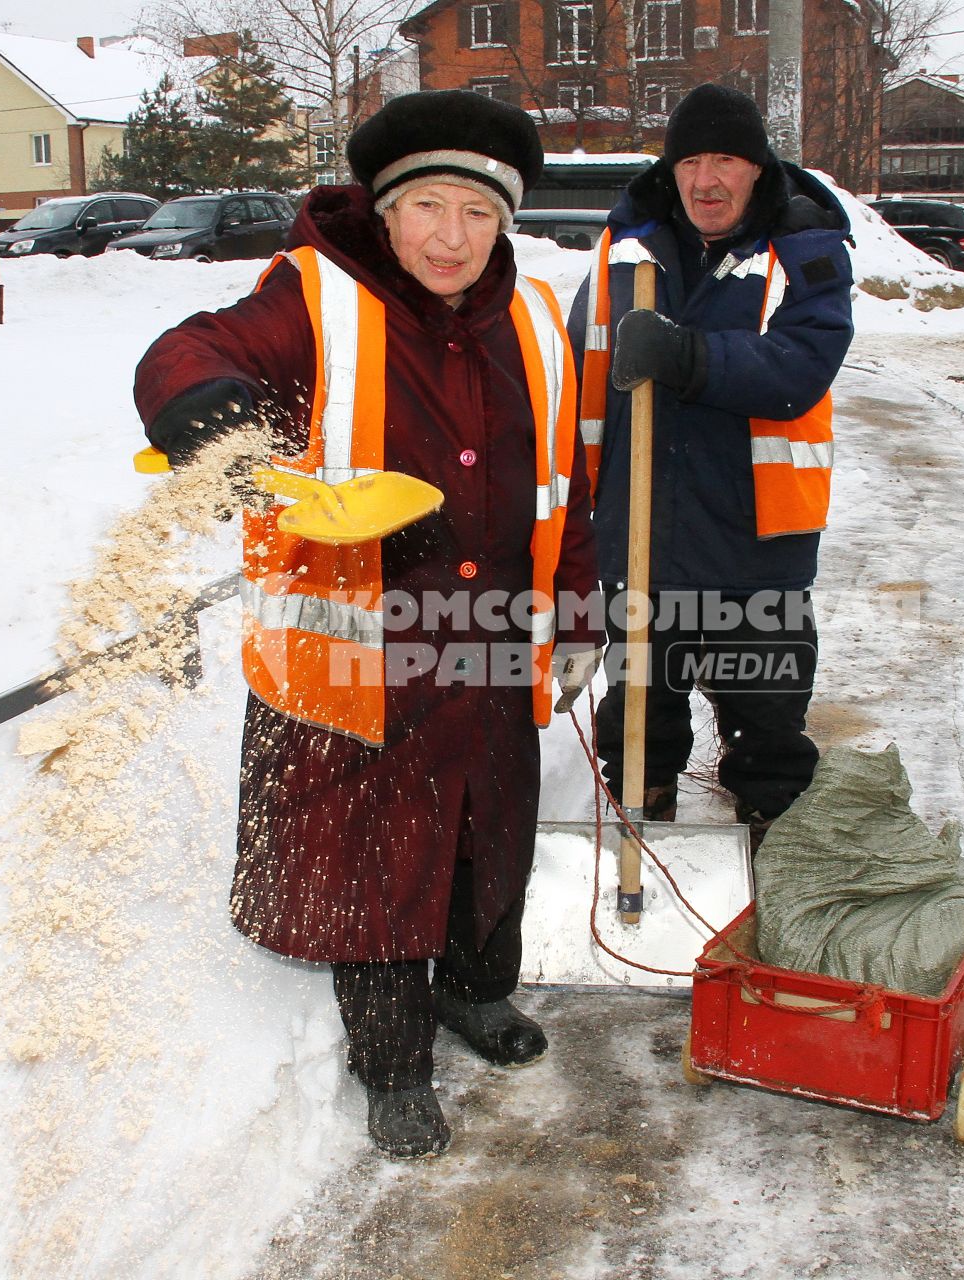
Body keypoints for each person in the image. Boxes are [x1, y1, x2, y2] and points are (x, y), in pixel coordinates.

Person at [132, 90, 601, 1160]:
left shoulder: (530, 316)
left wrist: (577, 614)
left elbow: (568, 486)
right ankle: (390, 1066)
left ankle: (476, 995)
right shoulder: (317, 297)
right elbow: (194, 347)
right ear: (384, 212)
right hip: (363, 658)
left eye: (478, 214)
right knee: (383, 866)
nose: (452, 236)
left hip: (484, 642)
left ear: (507, 222)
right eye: (428, 206)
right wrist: (202, 407)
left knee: (491, 837)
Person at [568, 83, 854, 842]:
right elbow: (576, 370)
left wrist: (688, 356)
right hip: (640, 526)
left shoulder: (804, 248)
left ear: (757, 167)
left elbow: (801, 366)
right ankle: (641, 826)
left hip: (754, 539)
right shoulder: (624, 246)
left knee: (767, 719)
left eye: (724, 160)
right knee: (638, 717)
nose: (705, 180)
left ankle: (773, 841)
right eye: (691, 160)